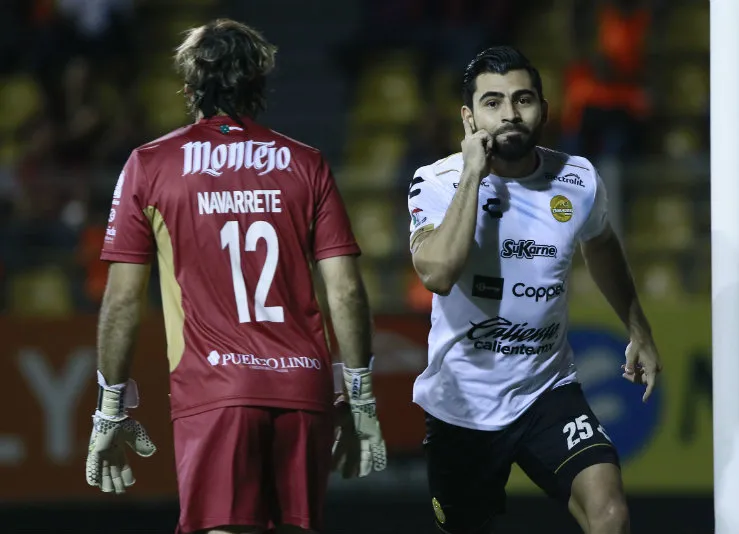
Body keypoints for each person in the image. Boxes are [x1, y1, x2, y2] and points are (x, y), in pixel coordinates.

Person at [83, 18, 387, 534]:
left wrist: (110, 409)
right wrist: (360, 401)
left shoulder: (151, 165)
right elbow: (346, 290)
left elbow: (121, 303)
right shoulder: (306, 163)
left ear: (188, 86)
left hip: (216, 387)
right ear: (260, 85)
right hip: (302, 386)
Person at [407, 46, 662, 534]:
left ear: (544, 108)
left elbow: (602, 244)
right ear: (469, 116)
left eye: (522, 100)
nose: (509, 114)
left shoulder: (578, 179)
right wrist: (471, 177)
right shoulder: (436, 182)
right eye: (493, 102)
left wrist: (639, 329)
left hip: (547, 389)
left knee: (609, 512)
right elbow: (436, 274)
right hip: (464, 402)